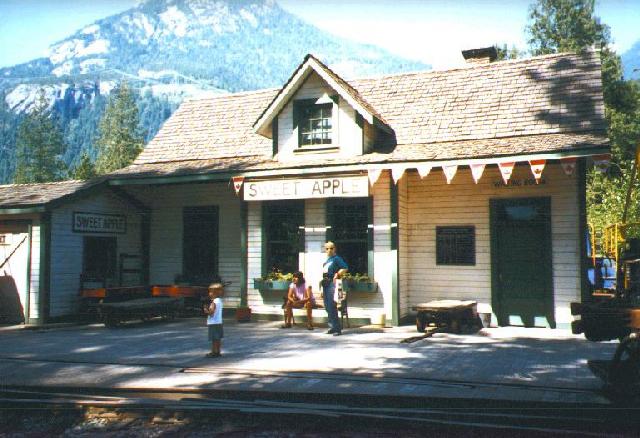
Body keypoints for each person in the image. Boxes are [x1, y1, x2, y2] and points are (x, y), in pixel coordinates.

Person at [321, 241, 348, 336]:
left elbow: (345, 267)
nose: (329, 250)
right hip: (325, 284)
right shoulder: (328, 260)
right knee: (327, 306)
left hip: (333, 284)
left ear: (334, 249)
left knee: (332, 306)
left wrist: (338, 274)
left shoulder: (336, 258)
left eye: (331, 248)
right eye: (327, 248)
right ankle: (332, 326)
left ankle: (337, 329)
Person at [204, 282, 224, 358]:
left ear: (214, 293)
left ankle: (213, 352)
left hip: (213, 323)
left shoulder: (214, 302)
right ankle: (218, 351)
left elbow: (211, 313)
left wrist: (206, 309)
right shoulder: (220, 301)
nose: (209, 293)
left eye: (210, 292)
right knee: (218, 338)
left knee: (213, 339)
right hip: (219, 322)